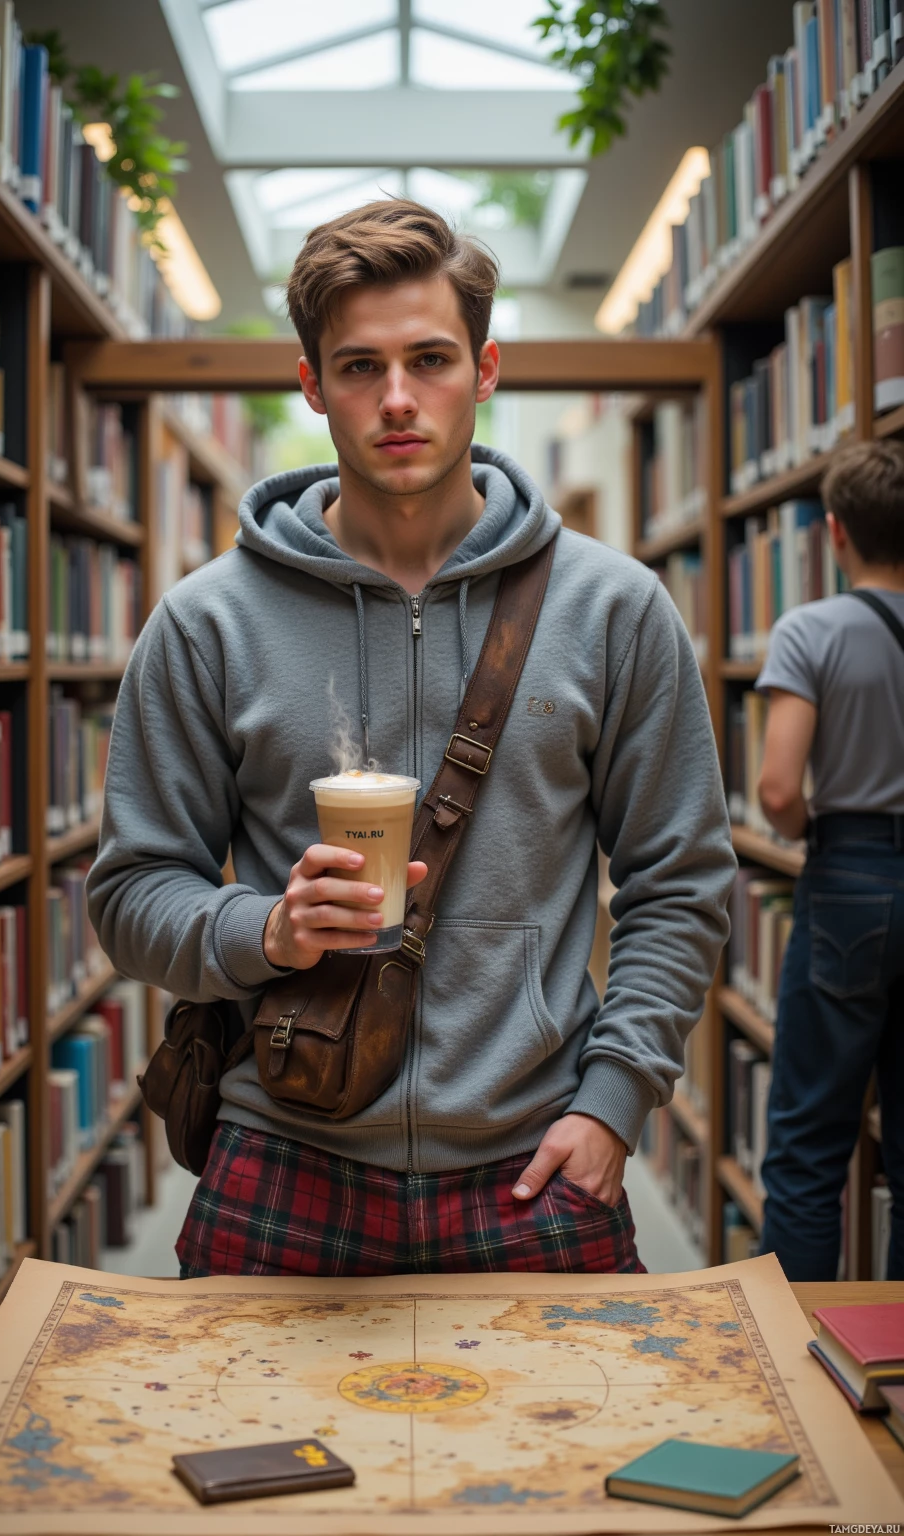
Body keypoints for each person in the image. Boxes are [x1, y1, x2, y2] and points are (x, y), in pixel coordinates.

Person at [87, 199, 736, 1278]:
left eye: (430, 359)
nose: (397, 400)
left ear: (484, 371)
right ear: (310, 385)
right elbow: (131, 895)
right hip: (282, 1147)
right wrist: (268, 932)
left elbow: (681, 878)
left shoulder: (613, 609)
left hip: (537, 1155)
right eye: (357, 368)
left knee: (578, 1452)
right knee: (224, 1446)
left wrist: (616, 1102)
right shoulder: (206, 622)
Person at [758, 439, 904, 1282]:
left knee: (811, 1144)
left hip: (850, 876)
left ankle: (799, 1350)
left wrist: (825, 825)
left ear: (836, 532)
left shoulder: (811, 629)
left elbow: (777, 789)